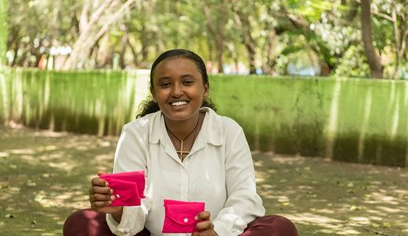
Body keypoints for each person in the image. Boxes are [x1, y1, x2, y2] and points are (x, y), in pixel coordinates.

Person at [63, 49, 299, 236]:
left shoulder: (228, 131)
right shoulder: (136, 133)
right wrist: (117, 210)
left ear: (205, 88)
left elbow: (244, 198)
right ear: (154, 93)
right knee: (81, 223)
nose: (176, 92)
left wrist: (217, 231)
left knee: (280, 228)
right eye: (165, 84)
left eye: (187, 82)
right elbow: (131, 215)